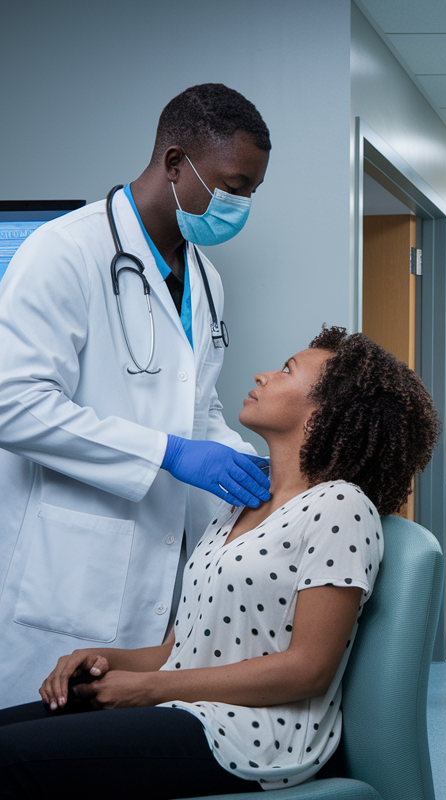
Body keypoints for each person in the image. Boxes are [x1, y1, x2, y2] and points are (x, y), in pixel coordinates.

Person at [0, 326, 439, 797]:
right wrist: (106, 661)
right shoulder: (242, 501)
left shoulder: (342, 506)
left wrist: (145, 691)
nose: (263, 375)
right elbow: (179, 649)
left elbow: (309, 668)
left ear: (325, 413)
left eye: (286, 370)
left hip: (252, 737)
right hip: (184, 707)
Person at [0, 84, 277, 709]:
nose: (241, 205)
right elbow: (13, 403)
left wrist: (252, 467)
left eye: (252, 192)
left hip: (160, 567)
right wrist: (166, 454)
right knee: (33, 756)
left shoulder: (205, 277)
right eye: (233, 186)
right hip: (65, 571)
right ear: (176, 163)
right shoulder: (65, 252)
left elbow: (195, 406)